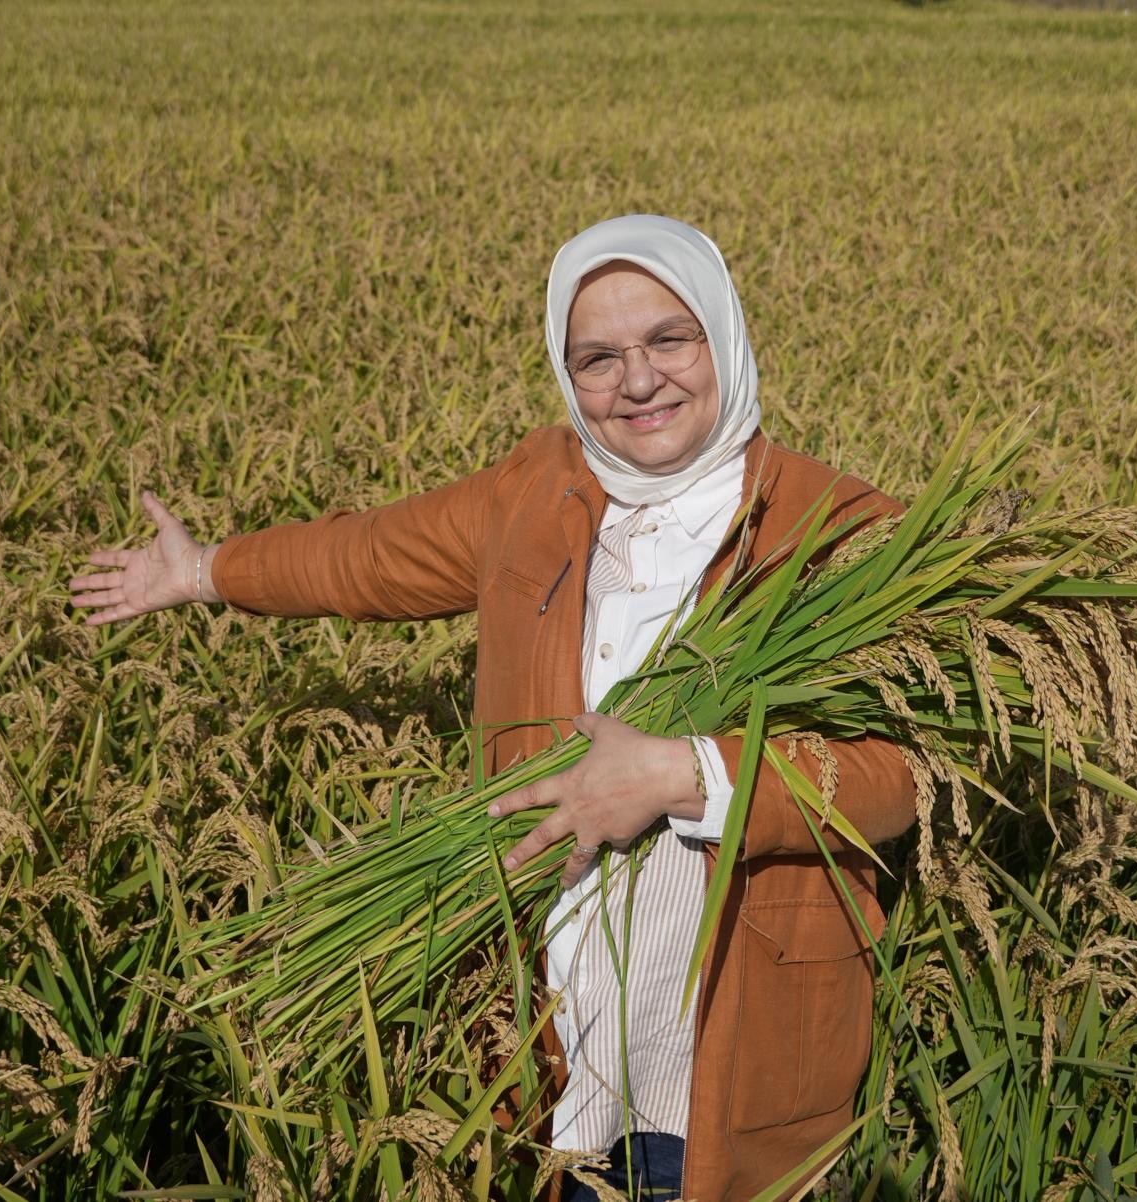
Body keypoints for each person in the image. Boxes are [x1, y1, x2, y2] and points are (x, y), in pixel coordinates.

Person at [70, 214, 918, 1202]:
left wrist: (685, 774)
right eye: (597, 358)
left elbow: (897, 777)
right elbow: (366, 556)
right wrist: (206, 571)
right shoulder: (536, 489)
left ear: (722, 333)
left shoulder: (839, 527)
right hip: (547, 1039)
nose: (638, 381)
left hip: (725, 1049)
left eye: (668, 339)